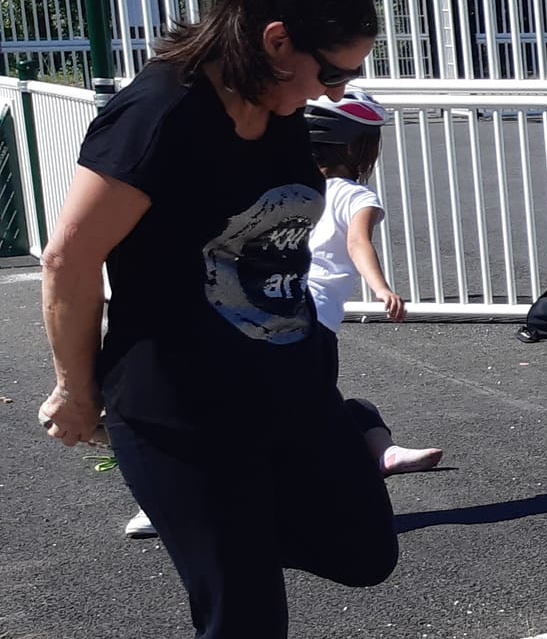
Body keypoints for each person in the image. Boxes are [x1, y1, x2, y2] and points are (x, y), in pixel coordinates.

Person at [37, 0, 399, 637]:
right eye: (331, 74)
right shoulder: (160, 116)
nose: (340, 92)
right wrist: (73, 389)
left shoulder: (280, 113)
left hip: (286, 389)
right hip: (182, 410)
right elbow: (68, 258)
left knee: (364, 551)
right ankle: (223, 541)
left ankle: (237, 540)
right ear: (274, 42)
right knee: (246, 620)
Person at [122, 91, 445, 540]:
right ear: (357, 148)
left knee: (239, 407)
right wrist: (381, 287)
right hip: (310, 325)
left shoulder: (282, 185)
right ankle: (354, 476)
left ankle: (167, 500)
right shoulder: (354, 196)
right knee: (300, 417)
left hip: (253, 311)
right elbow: (357, 243)